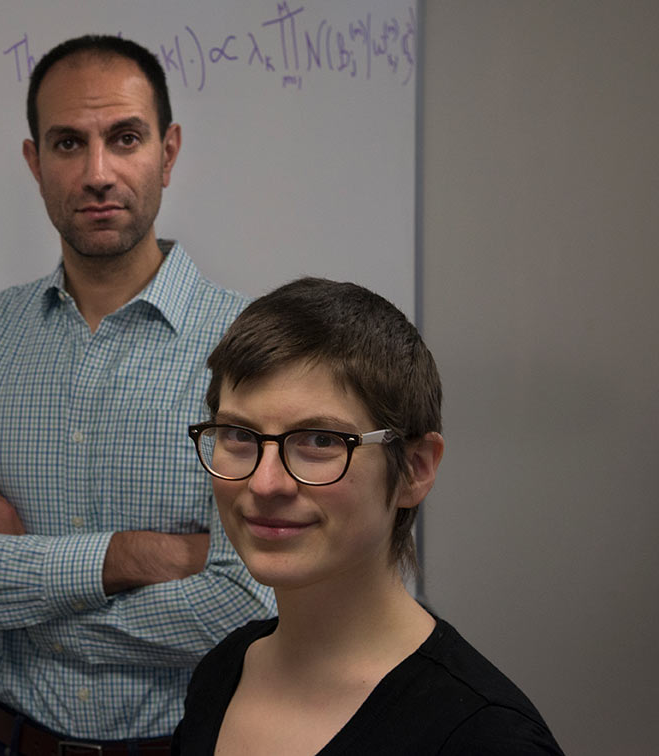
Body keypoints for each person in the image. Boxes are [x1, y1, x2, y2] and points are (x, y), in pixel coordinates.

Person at [0, 34, 274, 754]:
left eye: (124, 138)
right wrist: (129, 555)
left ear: (168, 150)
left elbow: (247, 604)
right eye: (68, 144)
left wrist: (19, 575)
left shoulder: (253, 347)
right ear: (34, 162)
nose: (98, 172)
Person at [173, 277, 563, 754]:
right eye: (238, 434)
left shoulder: (485, 737)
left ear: (415, 470)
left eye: (319, 441)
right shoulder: (222, 672)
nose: (265, 483)